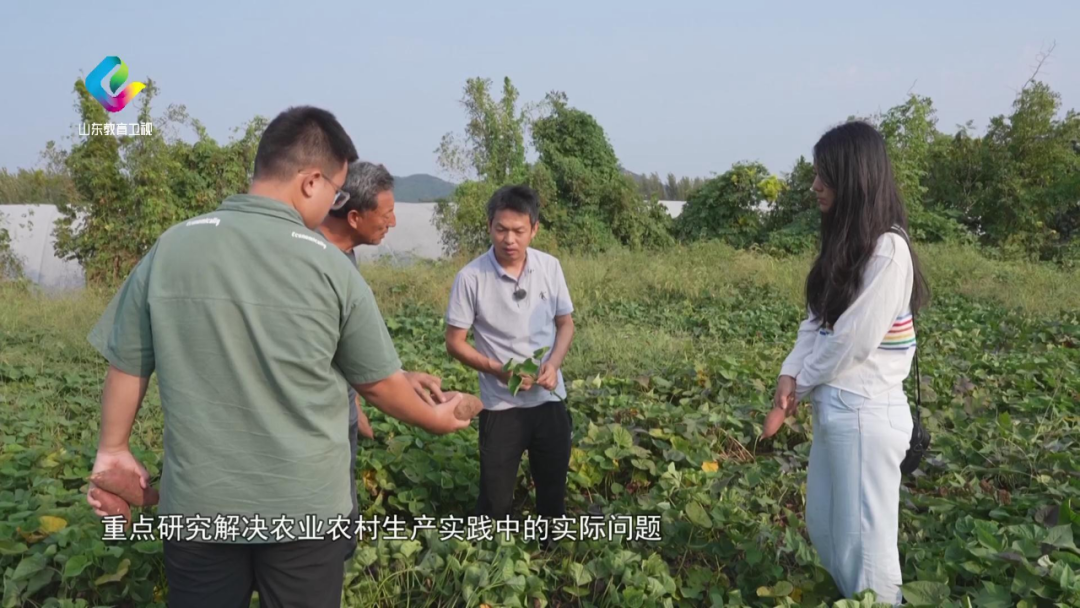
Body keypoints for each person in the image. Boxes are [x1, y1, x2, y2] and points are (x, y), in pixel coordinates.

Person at [84, 105, 471, 608]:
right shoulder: (330, 266)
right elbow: (379, 385)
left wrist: (113, 449)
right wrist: (436, 419)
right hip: (305, 512)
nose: (332, 204)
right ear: (311, 182)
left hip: (201, 508)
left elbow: (128, 362)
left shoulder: (172, 247)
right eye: (335, 191)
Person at [762, 121, 930, 606]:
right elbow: (816, 322)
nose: (815, 185)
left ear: (855, 178)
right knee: (826, 529)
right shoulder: (847, 244)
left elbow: (851, 341)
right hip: (837, 411)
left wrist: (800, 386)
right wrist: (789, 374)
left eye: (826, 176)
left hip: (866, 413)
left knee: (867, 554)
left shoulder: (889, 250)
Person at [317, 159, 445, 562]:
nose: (392, 222)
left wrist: (391, 377)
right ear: (354, 217)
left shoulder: (343, 255)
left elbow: (338, 343)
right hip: (314, 427)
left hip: (339, 412)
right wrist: (436, 419)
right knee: (323, 527)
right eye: (386, 213)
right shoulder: (314, 262)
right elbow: (375, 384)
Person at [444, 184, 576, 531]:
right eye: (501, 229)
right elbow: (454, 343)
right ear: (489, 226)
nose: (509, 239)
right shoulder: (471, 278)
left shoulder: (550, 267)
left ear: (534, 229)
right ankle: (490, 551)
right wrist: (496, 370)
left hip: (549, 398)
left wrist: (553, 364)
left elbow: (565, 324)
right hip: (500, 405)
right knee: (495, 499)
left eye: (519, 230)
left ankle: (550, 547)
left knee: (553, 492)